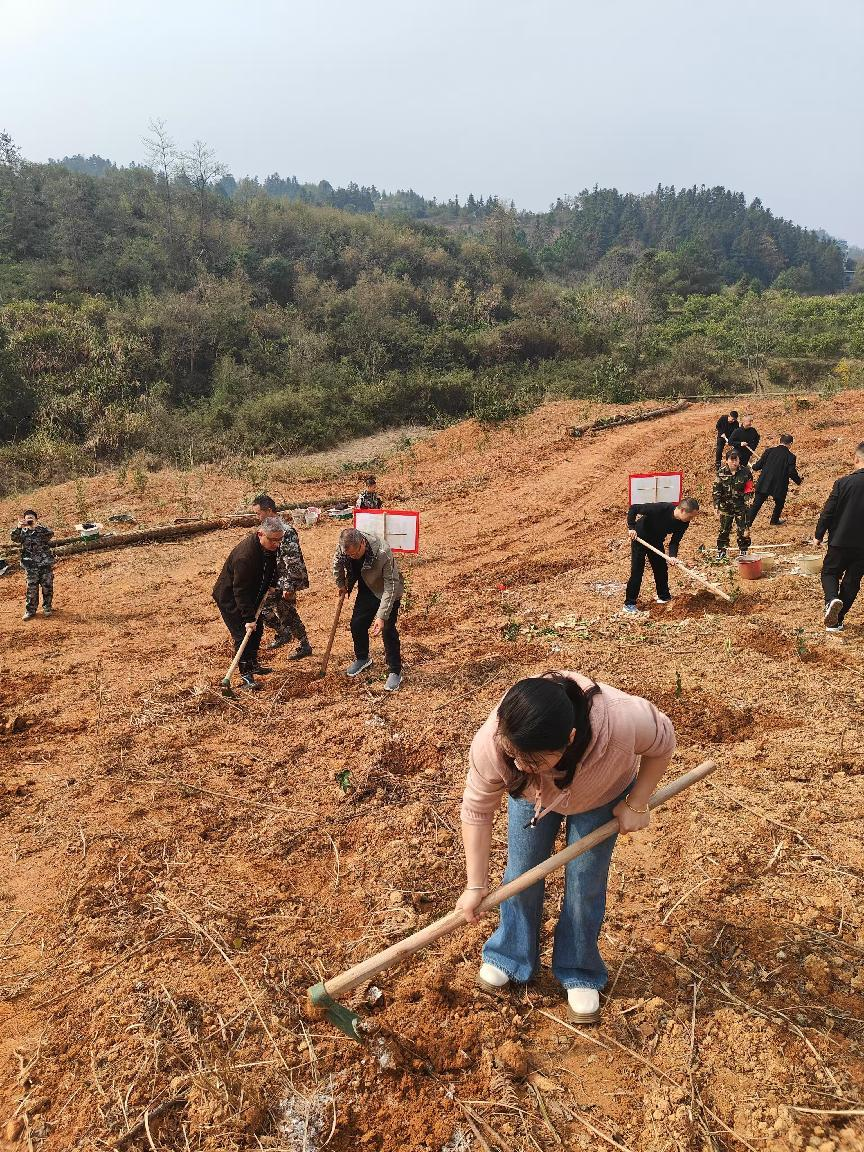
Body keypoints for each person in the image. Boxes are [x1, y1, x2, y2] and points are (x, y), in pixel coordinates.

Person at [456, 672, 676, 1023]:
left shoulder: (621, 721)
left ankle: (579, 967)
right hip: (533, 797)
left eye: (533, 759)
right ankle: (509, 955)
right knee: (521, 873)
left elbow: (663, 741)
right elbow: (477, 810)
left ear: (570, 739)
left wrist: (637, 802)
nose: (517, 765)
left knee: (584, 881)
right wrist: (475, 886)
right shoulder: (495, 744)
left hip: (601, 790)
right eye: (513, 755)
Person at [212, 517, 284, 690]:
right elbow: (240, 590)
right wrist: (248, 618)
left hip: (253, 594)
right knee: (242, 634)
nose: (277, 544)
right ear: (260, 534)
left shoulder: (269, 546)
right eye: (273, 540)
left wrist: (272, 583)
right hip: (232, 599)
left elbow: (272, 565)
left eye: (279, 539)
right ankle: (246, 675)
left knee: (257, 632)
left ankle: (253, 664)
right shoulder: (245, 557)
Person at [332, 527, 403, 691]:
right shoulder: (344, 546)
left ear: (363, 543)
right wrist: (341, 583)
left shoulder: (383, 552)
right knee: (357, 624)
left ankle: (395, 670)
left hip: (387, 590)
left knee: (388, 630)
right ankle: (363, 658)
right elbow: (337, 563)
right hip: (367, 587)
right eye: (349, 555)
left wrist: (382, 616)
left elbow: (391, 585)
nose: (352, 557)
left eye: (355, 554)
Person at [251, 495, 312, 659]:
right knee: (264, 610)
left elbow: (292, 561)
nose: (258, 517)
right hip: (273, 579)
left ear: (269, 510)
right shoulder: (267, 529)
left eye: (259, 513)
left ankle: (303, 644)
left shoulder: (286, 531)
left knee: (286, 612)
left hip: (284, 580)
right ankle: (283, 633)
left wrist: (290, 586)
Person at [813, 441, 864, 633]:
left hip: (840, 540)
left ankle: (832, 600)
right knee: (852, 581)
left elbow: (828, 512)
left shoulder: (843, 483)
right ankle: (837, 620)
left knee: (829, 573)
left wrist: (819, 534)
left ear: (856, 458)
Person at [622, 498, 700, 615]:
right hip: (640, 538)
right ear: (683, 510)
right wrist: (632, 528)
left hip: (656, 541)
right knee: (637, 571)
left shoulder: (684, 523)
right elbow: (634, 508)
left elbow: (675, 541)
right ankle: (629, 604)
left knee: (661, 569)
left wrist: (672, 556)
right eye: (690, 516)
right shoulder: (661, 508)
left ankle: (663, 597)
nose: (691, 520)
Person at [748, 434, 802, 527]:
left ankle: (747, 524)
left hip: (764, 482)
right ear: (791, 443)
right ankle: (774, 520)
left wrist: (753, 466)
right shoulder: (790, 456)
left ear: (779, 441)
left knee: (756, 505)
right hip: (779, 485)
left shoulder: (769, 451)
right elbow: (791, 472)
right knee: (779, 503)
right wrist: (799, 481)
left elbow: (757, 466)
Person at [11, 510, 55, 620]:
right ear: (24, 519)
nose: (29, 519)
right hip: (30, 566)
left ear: (36, 519)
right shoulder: (22, 532)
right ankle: (30, 611)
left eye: (31, 517)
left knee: (47, 587)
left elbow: (50, 534)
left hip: (45, 564)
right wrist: (18, 527)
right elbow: (14, 538)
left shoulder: (41, 530)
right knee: (31, 589)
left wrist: (36, 526)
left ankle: (47, 608)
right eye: (27, 518)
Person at [712, 451, 752, 559]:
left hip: (741, 506)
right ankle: (721, 551)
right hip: (726, 506)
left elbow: (749, 487)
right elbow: (717, 490)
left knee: (743, 529)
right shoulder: (721, 472)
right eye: (732, 460)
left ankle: (743, 550)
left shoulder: (746, 472)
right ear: (726, 461)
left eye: (736, 460)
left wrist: (748, 499)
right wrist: (716, 505)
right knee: (724, 529)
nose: (734, 462)